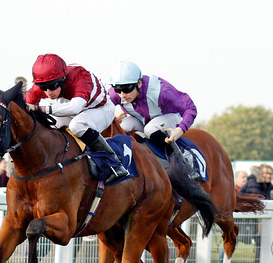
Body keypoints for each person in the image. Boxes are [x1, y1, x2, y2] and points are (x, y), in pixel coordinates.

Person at [25, 53, 128, 184]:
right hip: (72, 111)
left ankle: (114, 163)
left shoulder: (80, 77)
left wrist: (41, 109)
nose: (48, 92)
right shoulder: (43, 83)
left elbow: (74, 108)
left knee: (77, 126)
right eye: (43, 87)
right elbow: (24, 107)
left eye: (52, 86)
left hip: (99, 109)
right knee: (50, 126)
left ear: (63, 78)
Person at [107, 61, 198, 173]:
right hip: (142, 119)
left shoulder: (160, 91)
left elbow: (190, 108)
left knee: (150, 129)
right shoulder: (116, 94)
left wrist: (180, 129)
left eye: (127, 89)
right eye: (117, 90)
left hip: (169, 117)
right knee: (122, 127)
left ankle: (182, 160)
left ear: (139, 83)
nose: (122, 95)